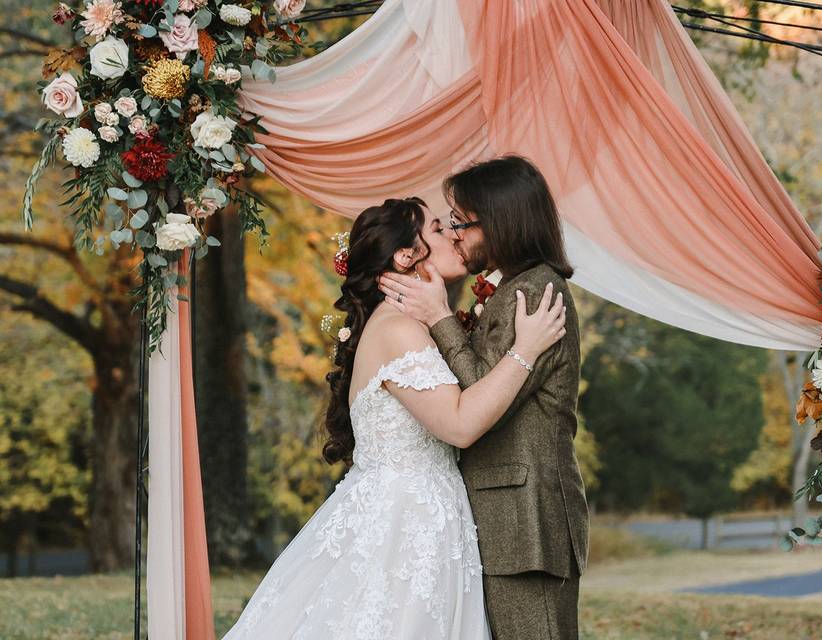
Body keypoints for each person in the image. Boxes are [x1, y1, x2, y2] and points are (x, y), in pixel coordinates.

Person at [222, 196, 566, 639]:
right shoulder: (399, 331)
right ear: (407, 256)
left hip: (423, 516)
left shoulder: (405, 326)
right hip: (404, 527)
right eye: (440, 231)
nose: (455, 236)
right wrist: (526, 350)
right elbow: (460, 426)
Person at [378, 156, 589, 640]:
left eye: (462, 223)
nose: (454, 235)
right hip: (506, 521)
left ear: (498, 224)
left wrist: (439, 317)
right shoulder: (513, 288)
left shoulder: (535, 293)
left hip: (525, 525)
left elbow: (481, 399)